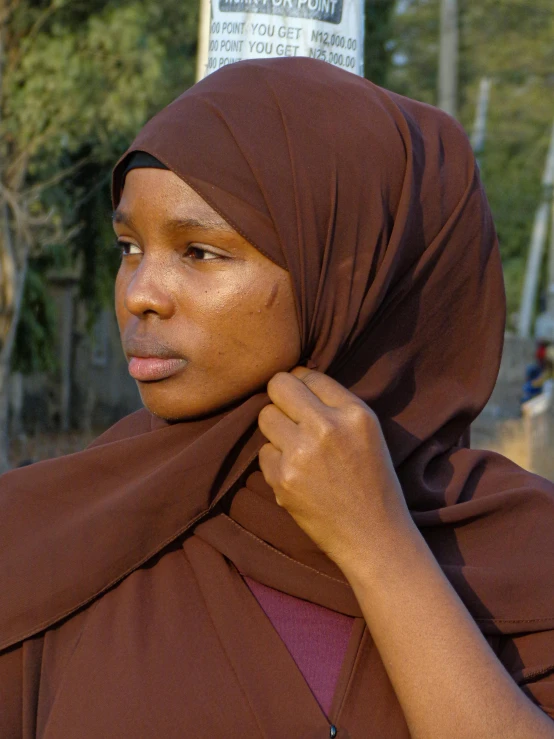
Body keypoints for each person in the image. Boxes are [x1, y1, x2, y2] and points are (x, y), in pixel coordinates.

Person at [1, 58, 553, 738]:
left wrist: (381, 548)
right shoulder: (54, 541)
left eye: (199, 251)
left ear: (353, 280)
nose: (140, 291)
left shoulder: (522, 560)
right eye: (128, 246)